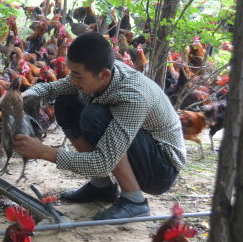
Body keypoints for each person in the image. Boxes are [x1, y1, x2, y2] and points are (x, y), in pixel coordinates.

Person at [13, 32, 185, 220]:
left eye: (77, 75)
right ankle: (101, 187)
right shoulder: (97, 74)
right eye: (71, 72)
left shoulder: (133, 95)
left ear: (104, 75)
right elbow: (53, 88)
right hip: (141, 151)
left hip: (160, 169)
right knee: (66, 103)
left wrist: (43, 152)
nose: (72, 80)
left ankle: (134, 200)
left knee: (94, 116)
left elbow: (103, 163)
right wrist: (20, 97)